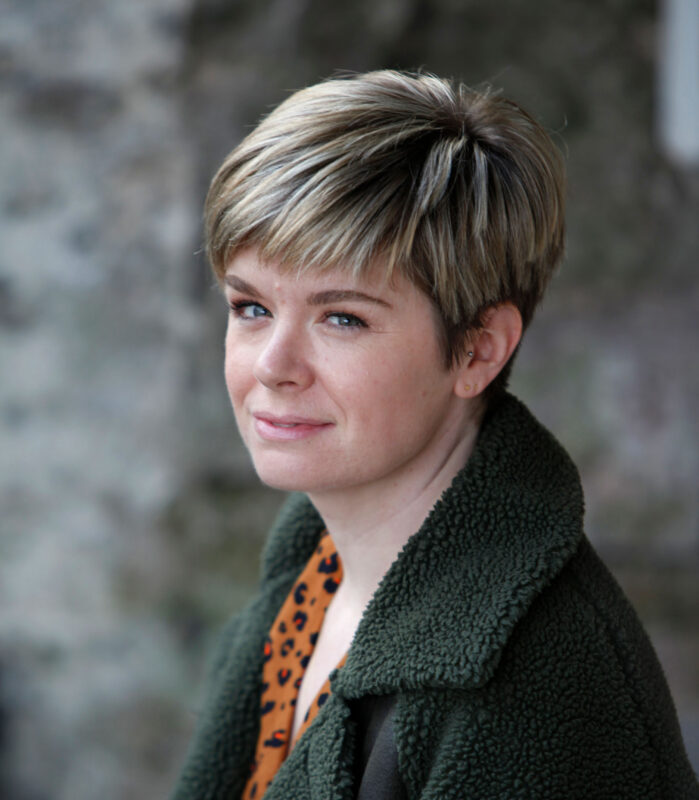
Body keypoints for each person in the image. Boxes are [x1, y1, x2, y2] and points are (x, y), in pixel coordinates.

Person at [172, 70, 698, 799]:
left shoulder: (530, 685)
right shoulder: (308, 584)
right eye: (250, 306)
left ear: (479, 350)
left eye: (342, 318)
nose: (273, 365)